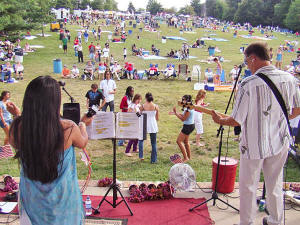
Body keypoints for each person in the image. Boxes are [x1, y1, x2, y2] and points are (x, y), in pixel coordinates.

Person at [211, 42, 300, 225]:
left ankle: (247, 223)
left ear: (253, 58)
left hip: (254, 143)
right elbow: (297, 108)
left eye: (247, 61)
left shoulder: (249, 84)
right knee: (275, 182)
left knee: (248, 186)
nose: (247, 65)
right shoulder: (289, 78)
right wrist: (280, 118)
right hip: (281, 139)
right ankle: (276, 220)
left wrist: (219, 120)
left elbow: (236, 120)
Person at [9, 76, 91, 225]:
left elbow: (19, 141)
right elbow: (83, 142)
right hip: (63, 202)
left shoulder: (18, 127)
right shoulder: (68, 128)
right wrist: (83, 124)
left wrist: (17, 116)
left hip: (32, 202)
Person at [171, 95, 195, 163]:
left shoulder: (188, 109)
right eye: (182, 99)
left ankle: (185, 157)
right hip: (190, 126)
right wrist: (175, 113)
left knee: (178, 141)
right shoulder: (187, 107)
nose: (182, 101)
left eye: (184, 99)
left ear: (188, 100)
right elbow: (183, 115)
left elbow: (183, 119)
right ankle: (189, 157)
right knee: (186, 142)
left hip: (188, 126)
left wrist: (176, 113)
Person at [139, 93, 159, 163]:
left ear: (146, 98)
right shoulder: (156, 106)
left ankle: (141, 156)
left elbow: (139, 115)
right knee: (153, 143)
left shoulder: (142, 106)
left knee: (141, 140)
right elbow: (157, 118)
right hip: (153, 125)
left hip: (144, 124)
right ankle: (153, 160)